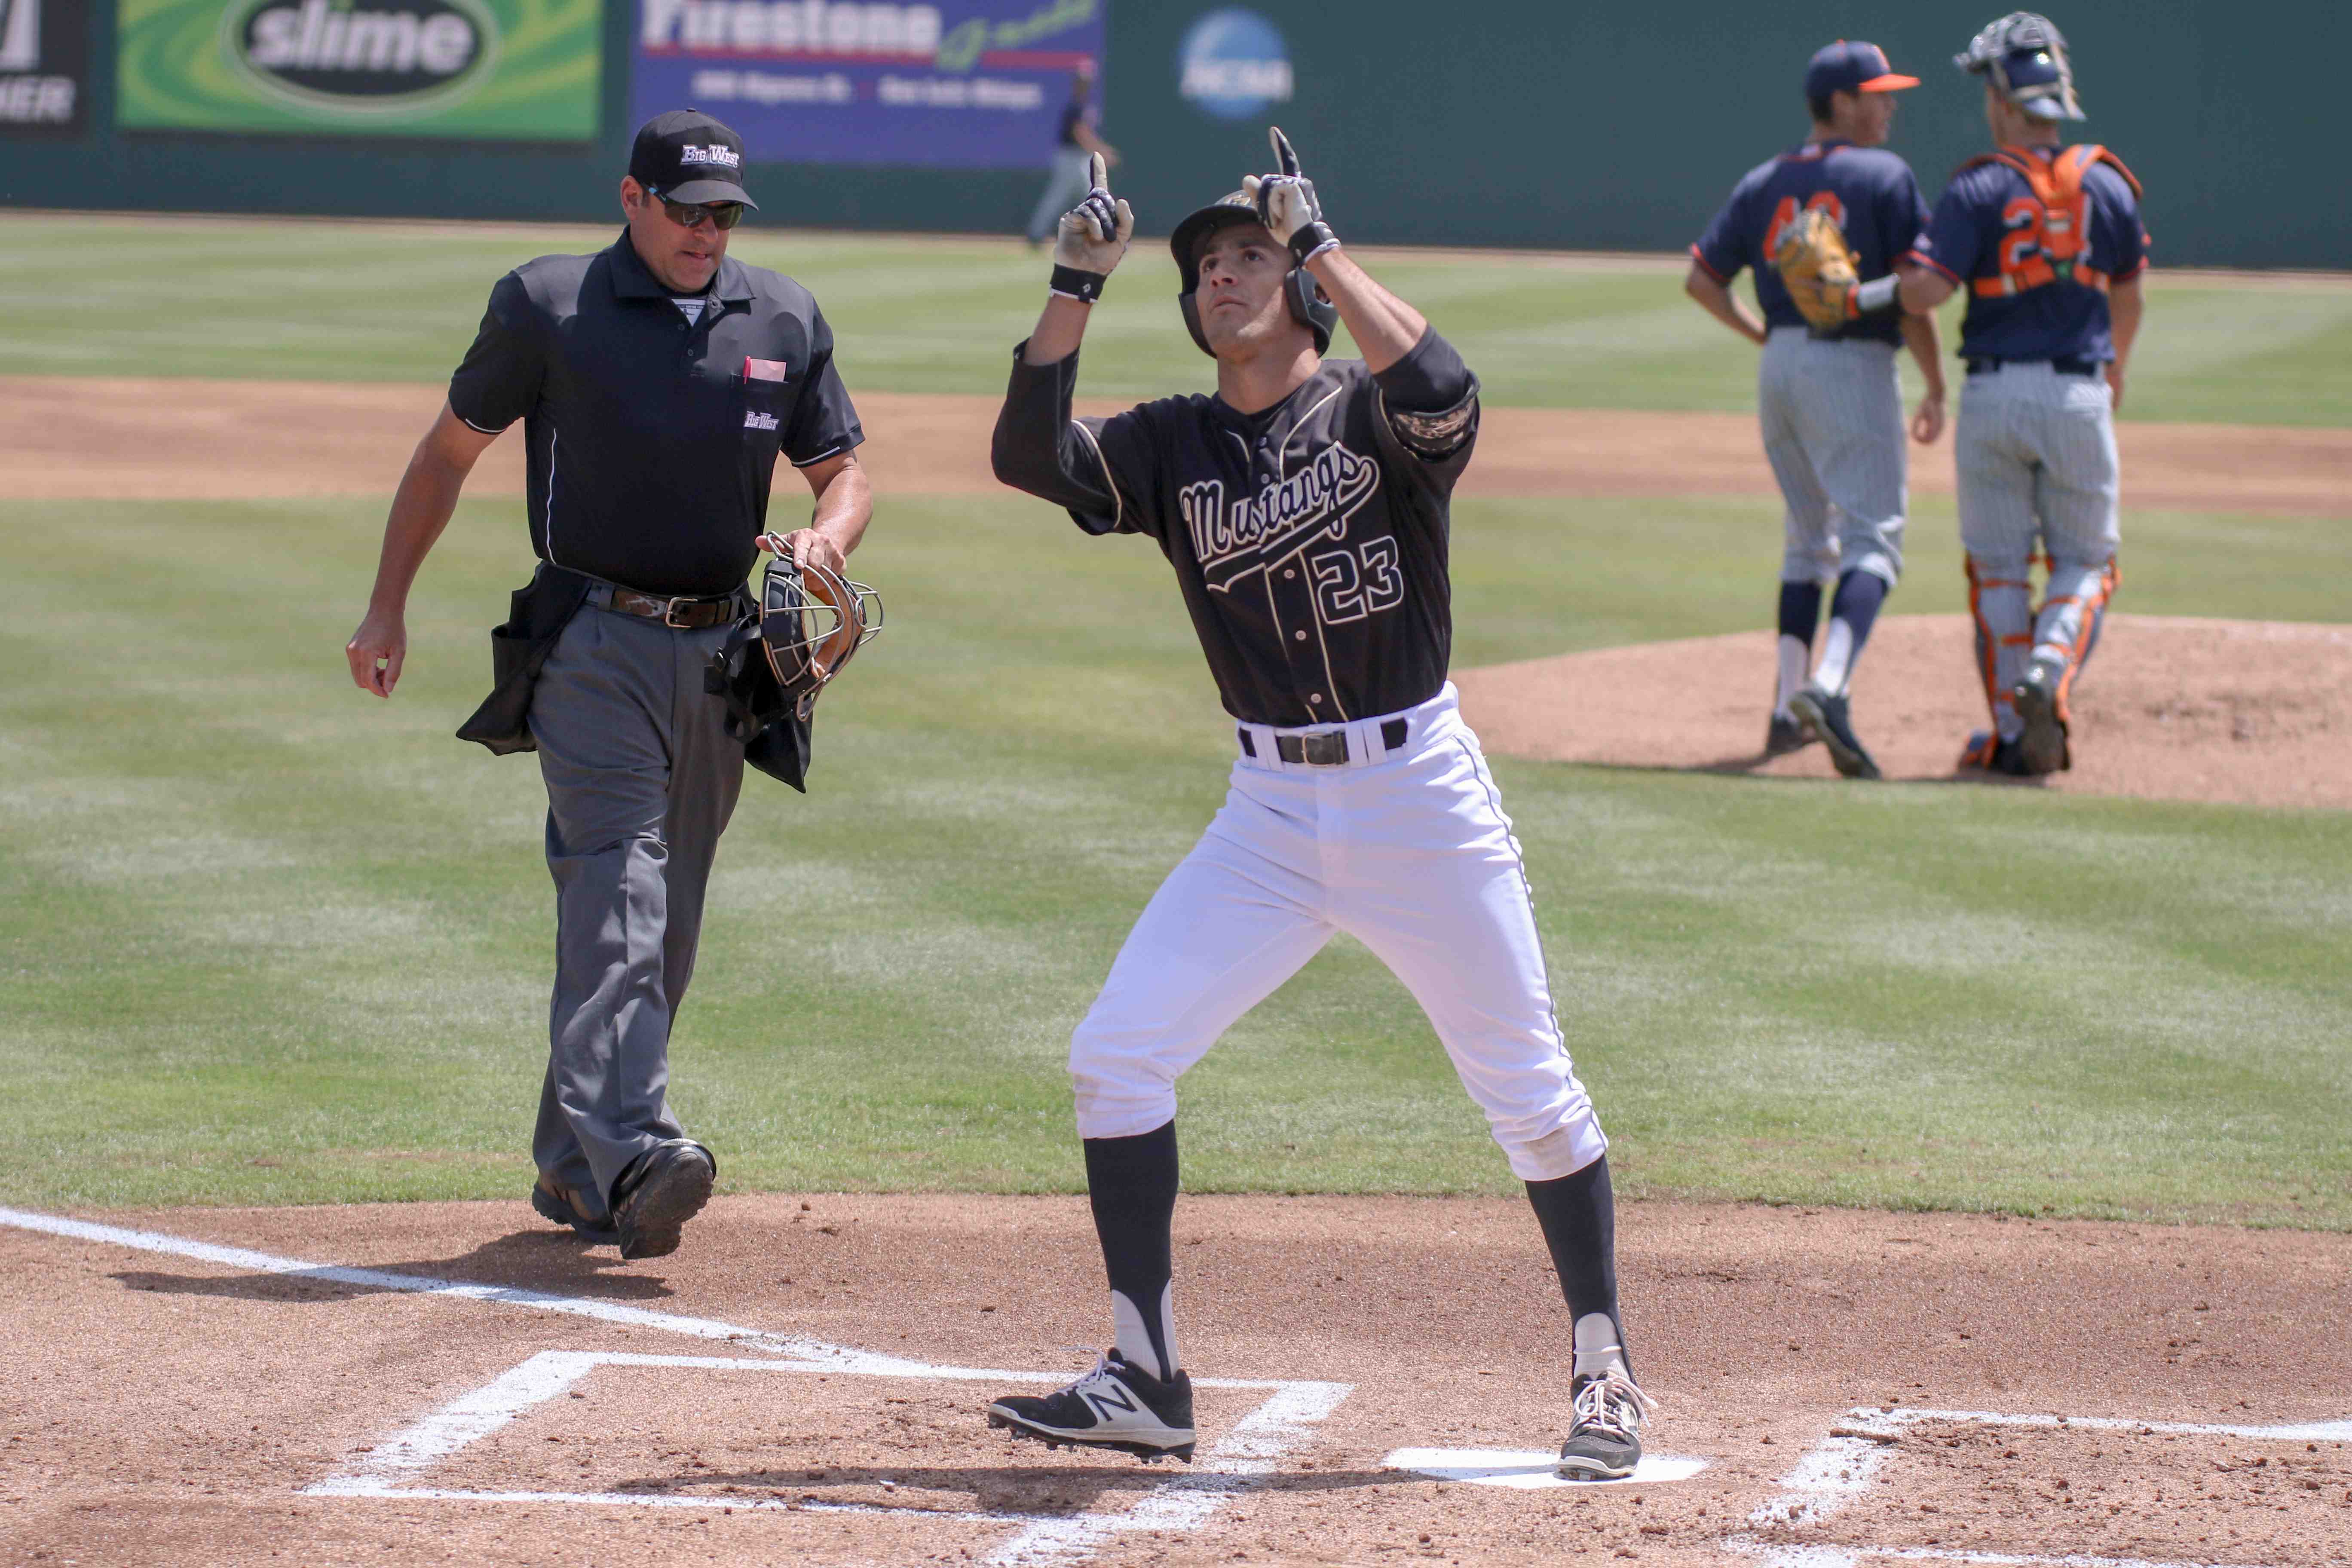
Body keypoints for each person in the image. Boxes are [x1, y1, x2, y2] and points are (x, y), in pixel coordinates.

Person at [983, 135, 1653, 1481]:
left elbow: (1450, 387)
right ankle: (1147, 1372)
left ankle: (1605, 1368)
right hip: (1270, 819)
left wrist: (1326, 239)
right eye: (1204, 268)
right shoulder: (1172, 443)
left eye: (1249, 258)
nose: (1221, 276)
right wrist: (1076, 279)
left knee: (1529, 1089)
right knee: (1117, 1055)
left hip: (1421, 798)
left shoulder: (1369, 413)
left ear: (1303, 293)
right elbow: (1029, 454)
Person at [341, 110, 872, 1260]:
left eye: (724, 213)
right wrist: (388, 604)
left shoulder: (780, 315)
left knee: (662, 928)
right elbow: (446, 455)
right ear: (633, 200)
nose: (706, 232)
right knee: (618, 890)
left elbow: (845, 476)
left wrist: (829, 538)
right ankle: (636, 1145)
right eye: (686, 210)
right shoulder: (550, 305)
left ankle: (578, 1167)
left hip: (727, 656)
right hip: (591, 642)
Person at [1686, 40, 1945, 780]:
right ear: (1841, 102)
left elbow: (1702, 281)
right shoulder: (1884, 176)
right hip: (1853, 362)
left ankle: (1784, 706)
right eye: (1877, 94)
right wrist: (1934, 384)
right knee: (1874, 541)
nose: (1888, 105)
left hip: (1781, 366)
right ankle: (1828, 689)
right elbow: (1914, 293)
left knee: (1807, 542)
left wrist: (1761, 333)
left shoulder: (1763, 179)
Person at [1897, 13, 2146, 776]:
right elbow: (2129, 296)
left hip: (1994, 398)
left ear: (2005, 103)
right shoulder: (2108, 180)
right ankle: (2046, 671)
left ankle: (2011, 728)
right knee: (2085, 562)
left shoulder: (1976, 185)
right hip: (2077, 392)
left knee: (1999, 569)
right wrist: (2116, 369)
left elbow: (1927, 291)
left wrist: (1884, 284)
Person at [1024, 60, 1118, 248]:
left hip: (1078, 159)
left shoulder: (1082, 105)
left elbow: (1083, 133)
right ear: (1076, 83)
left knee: (1088, 196)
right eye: (1081, 81)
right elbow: (1080, 133)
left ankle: (1036, 234)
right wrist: (1102, 151)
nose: (1084, 84)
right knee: (1091, 196)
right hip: (1070, 158)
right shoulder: (1075, 107)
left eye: (1087, 81)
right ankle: (1111, 235)